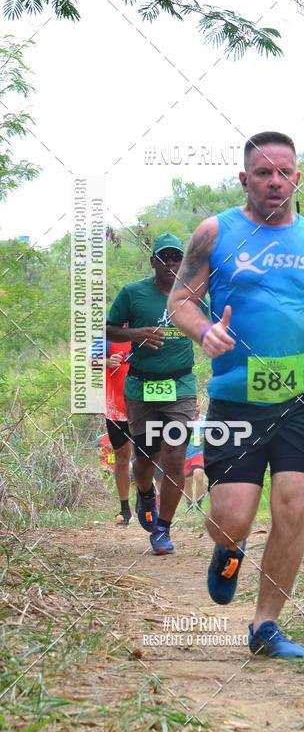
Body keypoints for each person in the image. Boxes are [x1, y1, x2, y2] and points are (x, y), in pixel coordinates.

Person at [168, 131, 304, 658]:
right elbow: (181, 300)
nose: (275, 182)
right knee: (231, 517)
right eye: (263, 173)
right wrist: (203, 331)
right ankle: (229, 550)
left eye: (284, 172)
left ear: (297, 178)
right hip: (235, 401)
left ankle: (266, 626)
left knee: (293, 506)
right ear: (245, 180)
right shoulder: (216, 233)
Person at [106, 233, 198, 555]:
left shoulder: (193, 294)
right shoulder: (133, 293)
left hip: (181, 387)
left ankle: (163, 529)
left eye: (176, 257)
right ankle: (145, 493)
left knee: (174, 457)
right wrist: (135, 333)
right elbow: (107, 328)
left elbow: (213, 327)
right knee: (145, 457)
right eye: (164, 257)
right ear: (153, 261)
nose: (171, 263)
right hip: (142, 385)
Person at [91, 336, 134, 527]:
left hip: (144, 404)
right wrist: (107, 362)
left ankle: (146, 499)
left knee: (147, 456)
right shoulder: (107, 334)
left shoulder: (146, 326)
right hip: (115, 406)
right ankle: (125, 509)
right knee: (121, 456)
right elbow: (91, 361)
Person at [183, 409, 206, 512]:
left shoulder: (205, 421)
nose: (195, 408)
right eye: (193, 405)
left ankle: (198, 506)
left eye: (197, 405)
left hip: (199, 453)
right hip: (185, 455)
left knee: (199, 475)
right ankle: (189, 506)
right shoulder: (183, 420)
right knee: (187, 481)